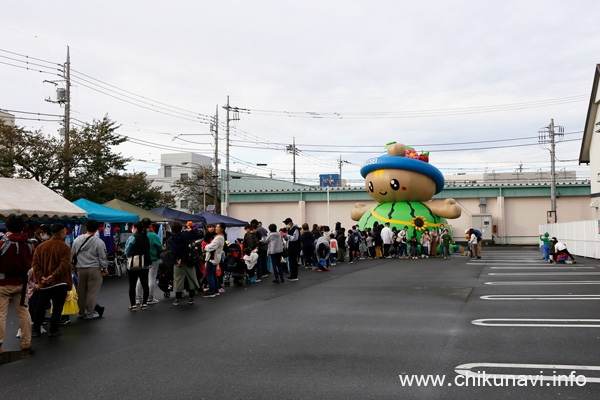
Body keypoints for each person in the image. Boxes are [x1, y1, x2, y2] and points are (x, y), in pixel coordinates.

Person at [0, 215, 34, 353]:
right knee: (24, 312)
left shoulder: (3, 244)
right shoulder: (29, 244)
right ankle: (26, 342)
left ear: (7, 227)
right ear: (22, 227)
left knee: (1, 314)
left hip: (3, 283)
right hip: (22, 283)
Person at [32, 223, 72, 337]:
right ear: (61, 234)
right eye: (64, 232)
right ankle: (54, 329)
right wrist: (53, 276)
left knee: (41, 307)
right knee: (57, 306)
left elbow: (35, 264)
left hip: (44, 283)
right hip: (60, 282)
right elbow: (64, 265)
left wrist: (41, 277)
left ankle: (36, 329)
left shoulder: (41, 247)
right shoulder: (64, 247)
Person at [71, 219, 107, 319]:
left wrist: (73, 266)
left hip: (80, 269)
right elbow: (102, 257)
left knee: (81, 291)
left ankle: (80, 312)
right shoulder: (99, 242)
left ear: (85, 228)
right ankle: (90, 313)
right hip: (94, 269)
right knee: (92, 292)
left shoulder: (77, 240)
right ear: (96, 229)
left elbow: (72, 254)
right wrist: (104, 268)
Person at [168, 221, 202, 304]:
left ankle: (177, 299)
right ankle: (191, 297)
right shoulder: (186, 235)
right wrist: (190, 230)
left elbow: (172, 251)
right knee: (191, 277)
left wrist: (177, 258)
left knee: (178, 279)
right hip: (189, 259)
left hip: (178, 261)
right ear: (181, 228)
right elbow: (200, 235)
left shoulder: (171, 238)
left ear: (172, 229)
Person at [124, 221, 152, 310]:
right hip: (145, 264)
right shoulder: (146, 237)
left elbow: (127, 250)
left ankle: (133, 305)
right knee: (145, 284)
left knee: (132, 285)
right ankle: (144, 304)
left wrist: (129, 256)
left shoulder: (132, 237)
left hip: (134, 264)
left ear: (135, 228)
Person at [136, 219, 164, 305]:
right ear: (150, 225)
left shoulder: (137, 235)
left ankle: (138, 298)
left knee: (140, 278)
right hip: (152, 259)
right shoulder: (153, 235)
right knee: (151, 279)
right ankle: (150, 298)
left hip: (140, 259)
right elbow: (160, 248)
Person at [203, 222, 226, 296]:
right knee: (213, 274)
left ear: (222, 229)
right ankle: (216, 290)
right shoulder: (221, 237)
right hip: (216, 258)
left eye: (218, 227)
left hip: (212, 258)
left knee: (209, 274)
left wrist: (205, 247)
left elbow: (211, 247)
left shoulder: (218, 238)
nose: (215, 228)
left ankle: (212, 291)